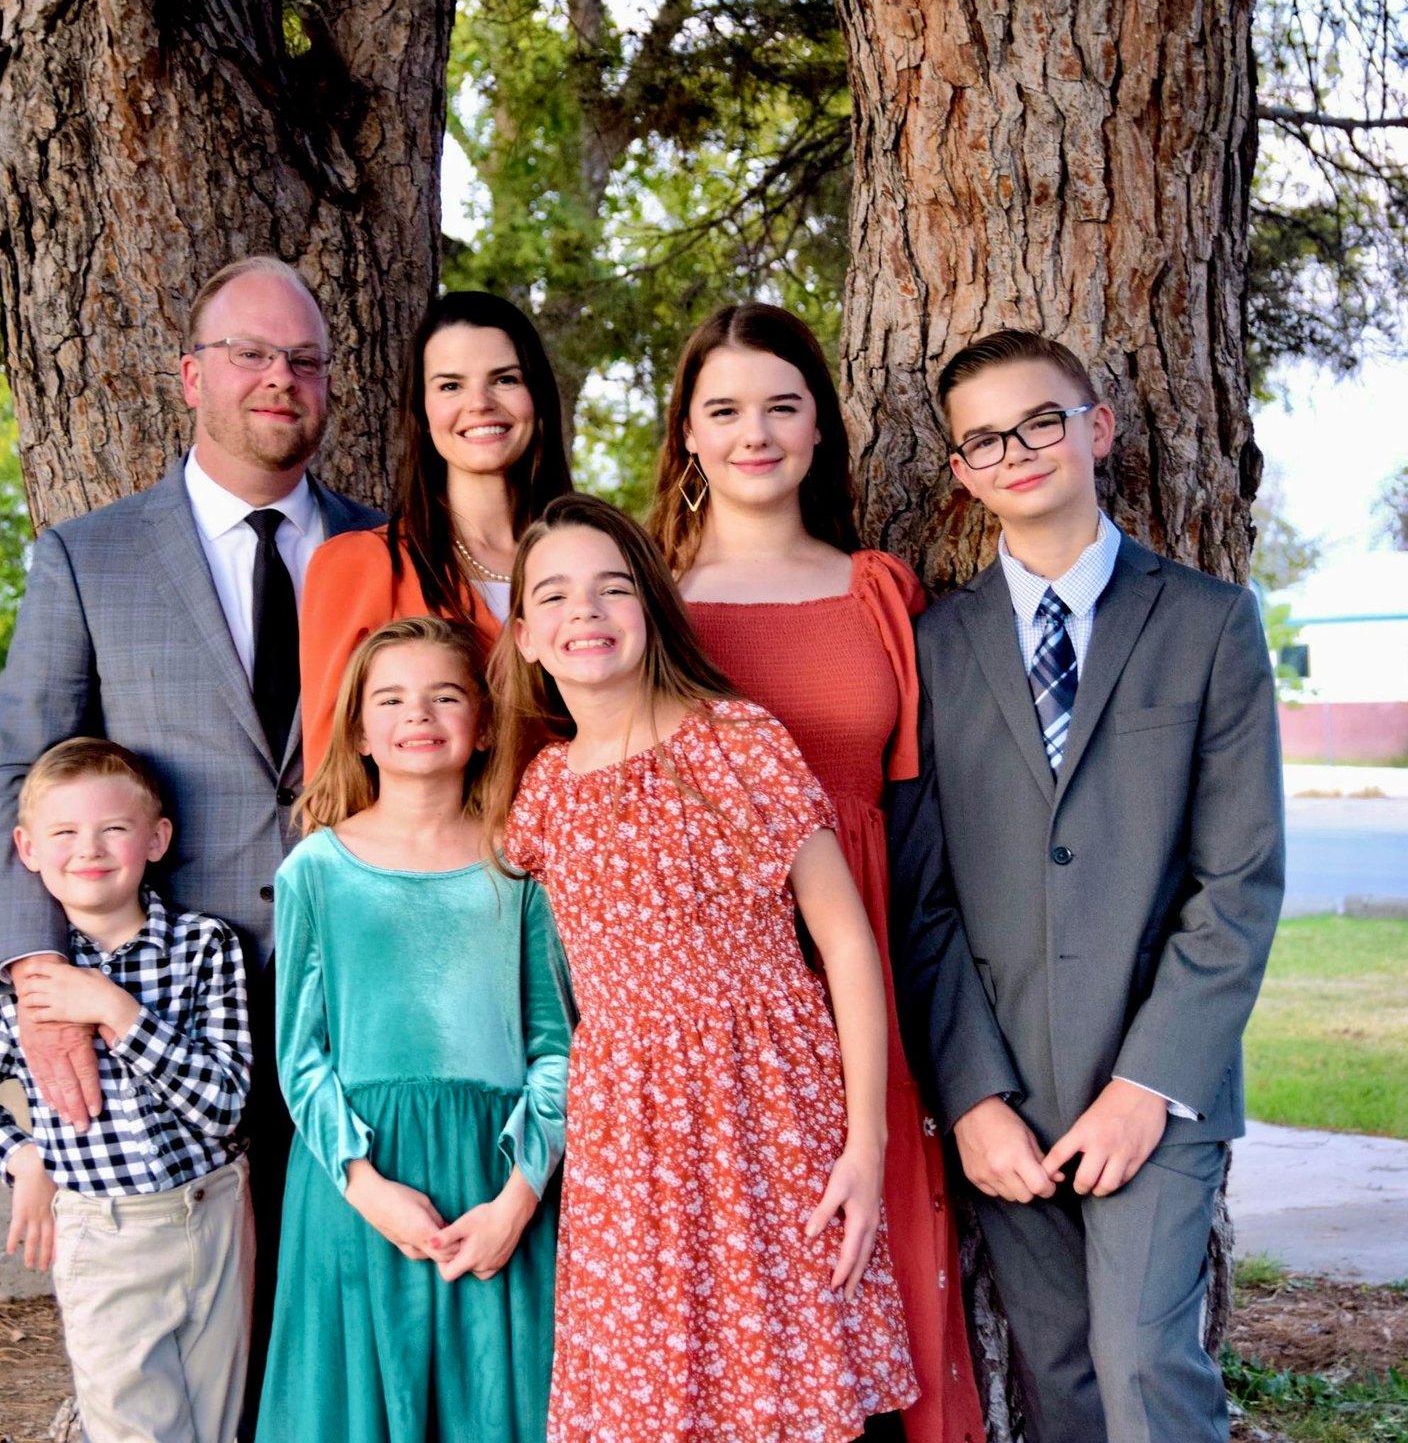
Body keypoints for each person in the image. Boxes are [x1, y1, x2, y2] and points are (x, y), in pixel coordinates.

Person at [0, 255, 383, 1427]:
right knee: (179, 1339)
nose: (279, 378)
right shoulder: (89, 556)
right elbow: (19, 767)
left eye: (304, 359)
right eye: (251, 354)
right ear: (191, 375)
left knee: (337, 1316)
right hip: (164, 1015)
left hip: (357, 992)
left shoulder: (383, 548)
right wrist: (34, 980)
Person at [888, 330, 1284, 1443]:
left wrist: (1148, 1083)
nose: (1016, 450)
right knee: (1060, 1377)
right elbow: (923, 900)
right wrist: (971, 1096)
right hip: (1005, 1086)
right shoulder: (931, 650)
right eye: (984, 439)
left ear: (1096, 429)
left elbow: (1240, 880)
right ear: (962, 471)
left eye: (1040, 421)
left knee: (1143, 1362)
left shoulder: (1208, 623)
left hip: (1158, 1079)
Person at [491, 493, 919, 1442]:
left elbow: (846, 943)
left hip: (768, 1114)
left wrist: (865, 1145)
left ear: (650, 605)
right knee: (656, 1396)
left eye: (612, 588)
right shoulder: (545, 791)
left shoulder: (737, 741)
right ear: (525, 636)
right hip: (630, 1141)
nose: (585, 611)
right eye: (553, 596)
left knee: (789, 1385)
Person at [649, 303, 984, 1443]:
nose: (754, 433)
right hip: (715, 1000)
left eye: (781, 407)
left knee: (876, 1257)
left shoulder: (877, 591)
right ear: (687, 434)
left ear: (819, 428)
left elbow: (929, 811)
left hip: (867, 963)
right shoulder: (646, 603)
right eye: (725, 410)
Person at [258, 616, 570, 1442]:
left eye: (445, 696)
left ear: (483, 725)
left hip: (493, 1180)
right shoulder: (316, 870)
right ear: (359, 731)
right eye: (390, 699)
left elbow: (556, 1047)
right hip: (359, 1182)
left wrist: (518, 1197)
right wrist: (366, 1186)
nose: (418, 714)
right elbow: (300, 1057)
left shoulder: (520, 867)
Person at [0, 738, 254, 1443]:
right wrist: (23, 1159)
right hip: (102, 1233)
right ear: (27, 849)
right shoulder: (18, 984)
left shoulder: (206, 947)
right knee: (135, 1430)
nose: (90, 848)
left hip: (217, 1216)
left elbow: (225, 1104)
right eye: (64, 833)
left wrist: (115, 1009)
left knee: (218, 1427)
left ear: (156, 839)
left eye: (113, 828)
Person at [299, 290, 573, 758]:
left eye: (505, 379)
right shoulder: (359, 566)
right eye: (450, 386)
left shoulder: (593, 562)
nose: (480, 403)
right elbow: (332, 772)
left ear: (538, 397)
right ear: (422, 412)